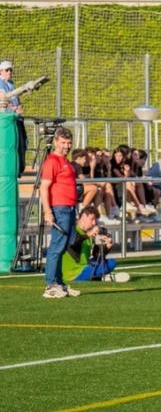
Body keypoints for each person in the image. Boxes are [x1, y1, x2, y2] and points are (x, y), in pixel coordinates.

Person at [40, 126, 81, 299]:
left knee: (64, 246)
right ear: (56, 142)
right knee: (57, 247)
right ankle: (50, 285)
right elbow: (44, 187)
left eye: (69, 142)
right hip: (60, 208)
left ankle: (60, 283)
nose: (66, 146)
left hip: (69, 208)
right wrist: (47, 211)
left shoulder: (66, 161)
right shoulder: (52, 161)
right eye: (63, 142)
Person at [60, 205, 131, 284]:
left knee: (111, 262)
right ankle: (101, 277)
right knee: (109, 264)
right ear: (83, 217)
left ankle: (100, 277)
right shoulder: (73, 230)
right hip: (73, 272)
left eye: (95, 220)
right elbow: (73, 242)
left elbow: (97, 256)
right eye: (92, 219)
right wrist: (89, 234)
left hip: (85, 266)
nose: (94, 223)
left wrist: (106, 247)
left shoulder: (88, 234)